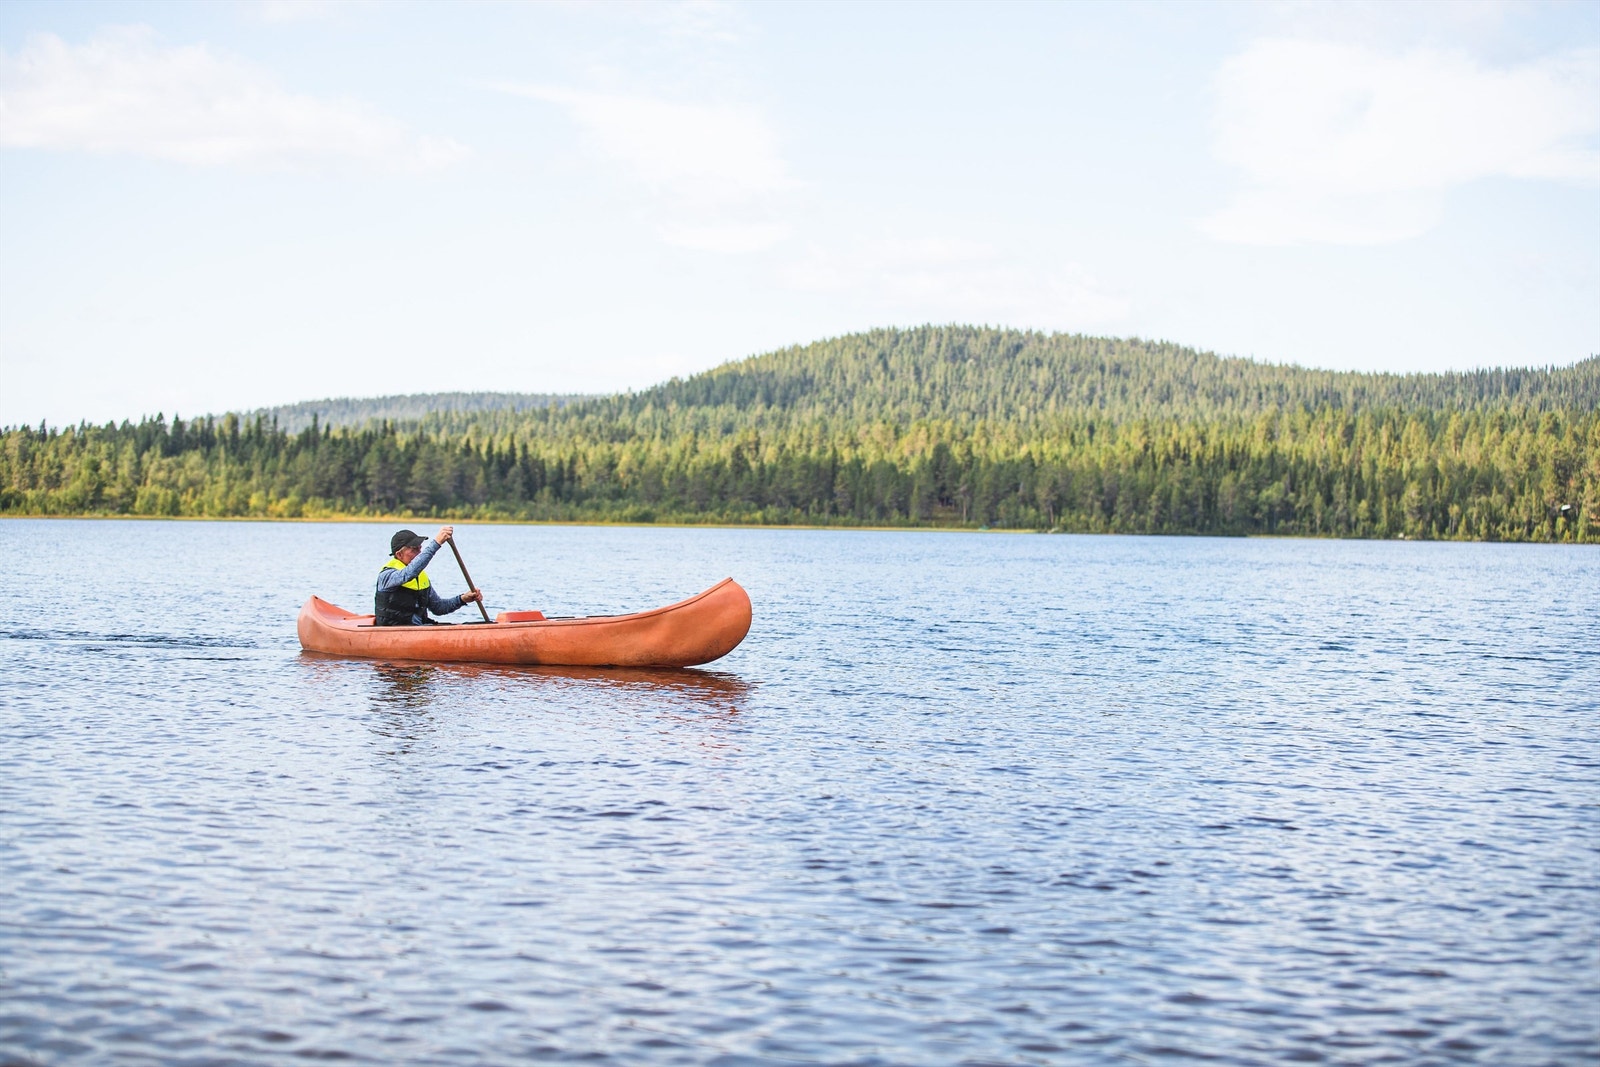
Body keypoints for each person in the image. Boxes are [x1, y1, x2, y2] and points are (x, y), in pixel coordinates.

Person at [374, 526, 484, 626]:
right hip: (394, 632)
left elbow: (439, 608)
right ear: (399, 554)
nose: (419, 552)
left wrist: (462, 599)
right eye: (414, 549)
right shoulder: (388, 576)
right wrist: (436, 543)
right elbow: (408, 574)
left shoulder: (421, 578)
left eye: (420, 548)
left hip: (419, 629)